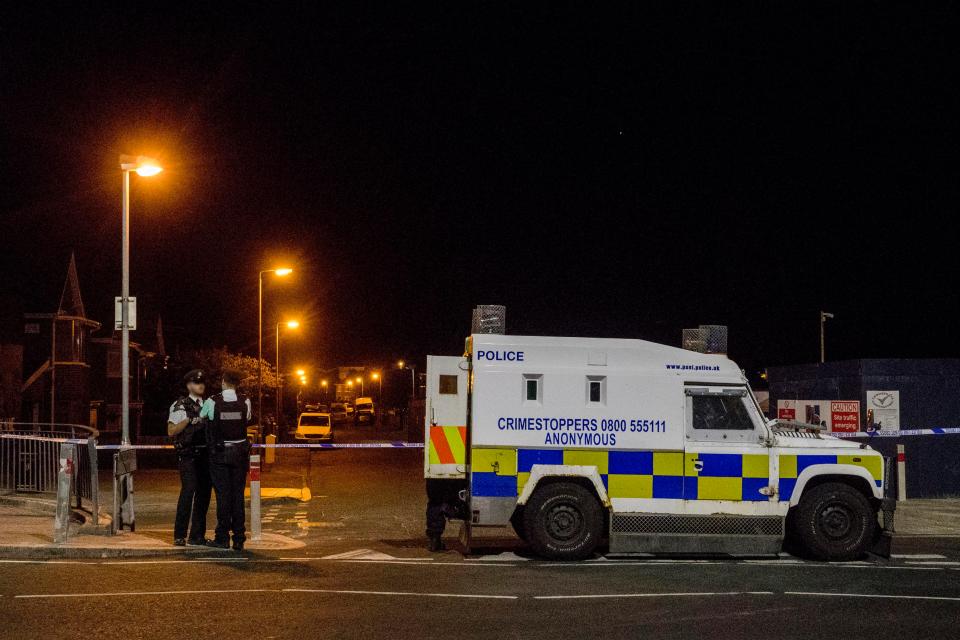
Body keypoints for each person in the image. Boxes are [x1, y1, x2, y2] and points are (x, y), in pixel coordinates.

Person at [200, 369, 252, 551]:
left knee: (223, 496)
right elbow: (247, 419)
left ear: (223, 382)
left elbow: (202, 417)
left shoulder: (212, 401)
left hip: (219, 455)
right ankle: (239, 538)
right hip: (239, 454)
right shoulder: (245, 401)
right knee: (238, 496)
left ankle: (222, 538)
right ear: (237, 384)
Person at [167, 369, 212, 546]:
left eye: (201, 383)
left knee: (204, 495)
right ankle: (179, 535)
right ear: (188, 385)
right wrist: (188, 420)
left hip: (205, 455)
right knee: (188, 491)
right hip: (188, 455)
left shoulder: (209, 404)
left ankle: (197, 535)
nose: (200, 385)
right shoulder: (180, 405)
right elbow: (171, 431)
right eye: (195, 383)